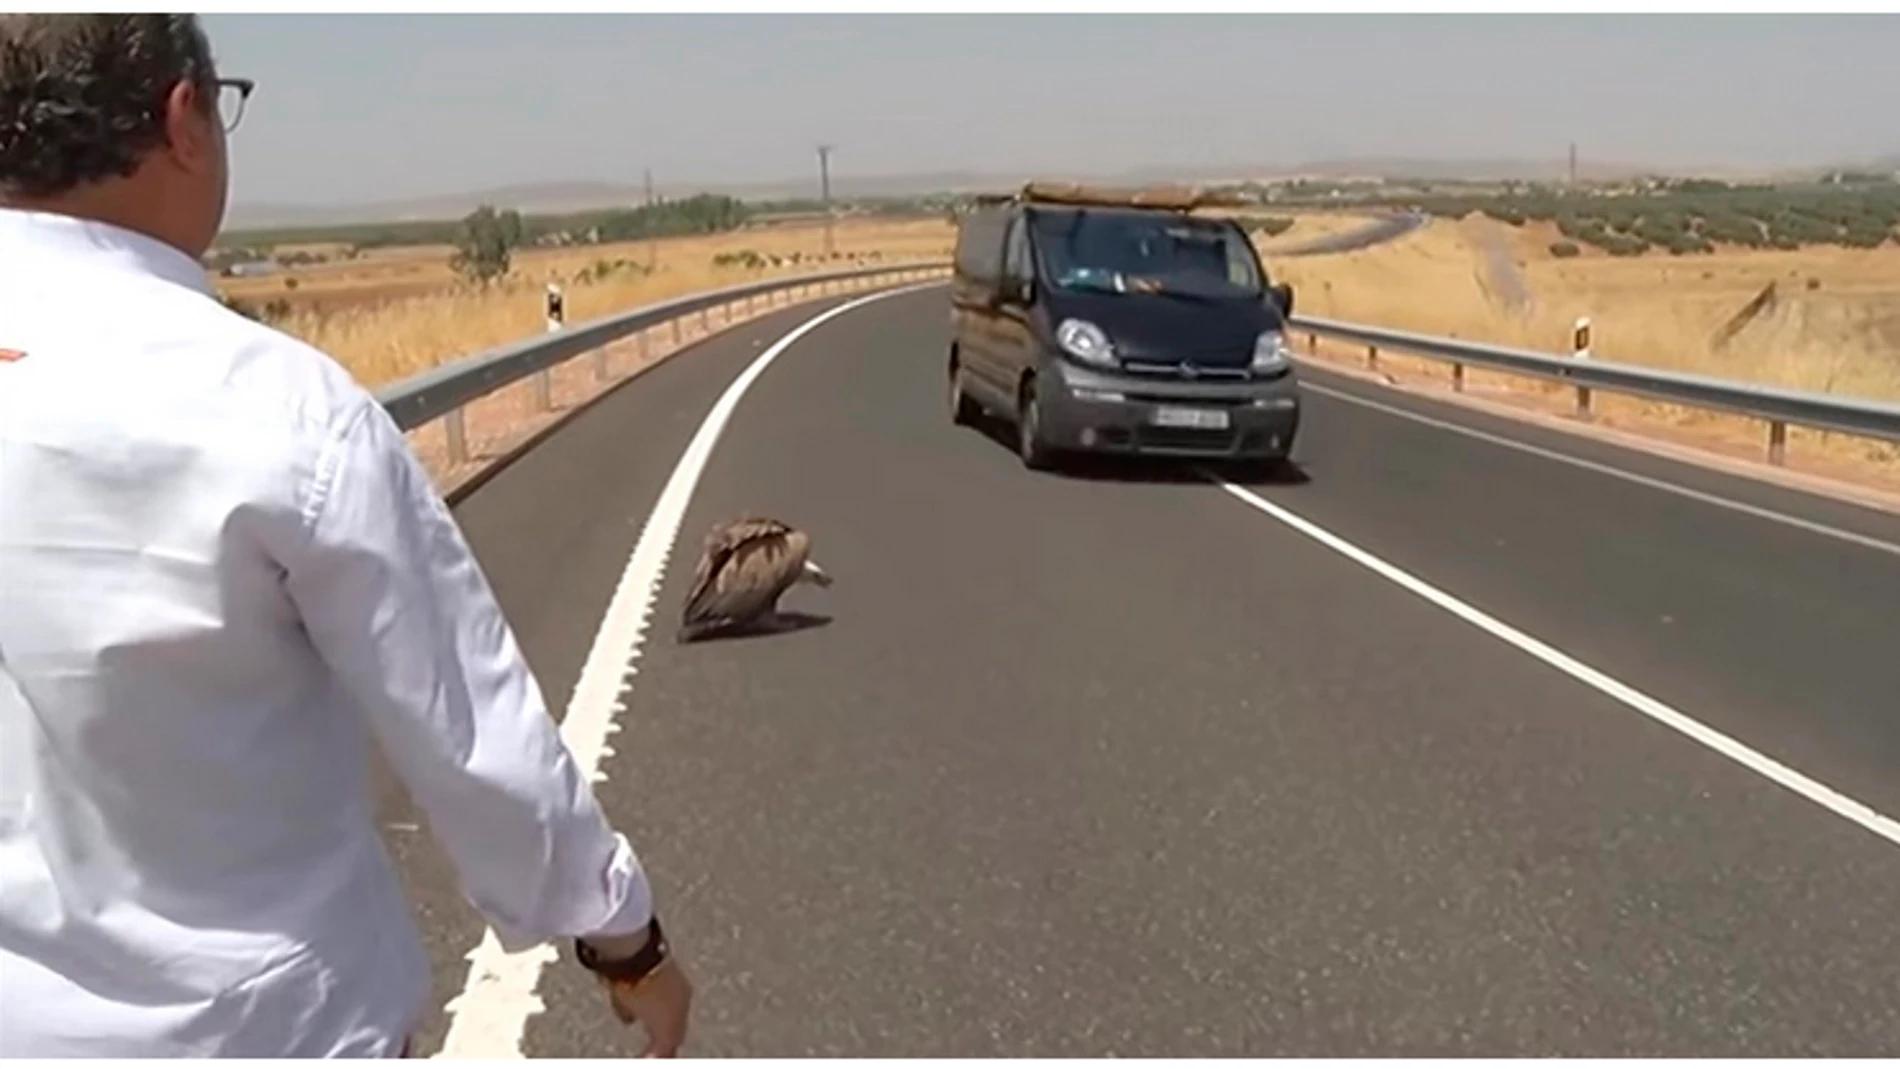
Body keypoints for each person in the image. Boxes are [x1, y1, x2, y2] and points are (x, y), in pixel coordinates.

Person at [0, 13, 692, 1057]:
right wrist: (626, 942)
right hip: (267, 1027)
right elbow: (472, 737)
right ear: (184, 120)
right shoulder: (278, 408)